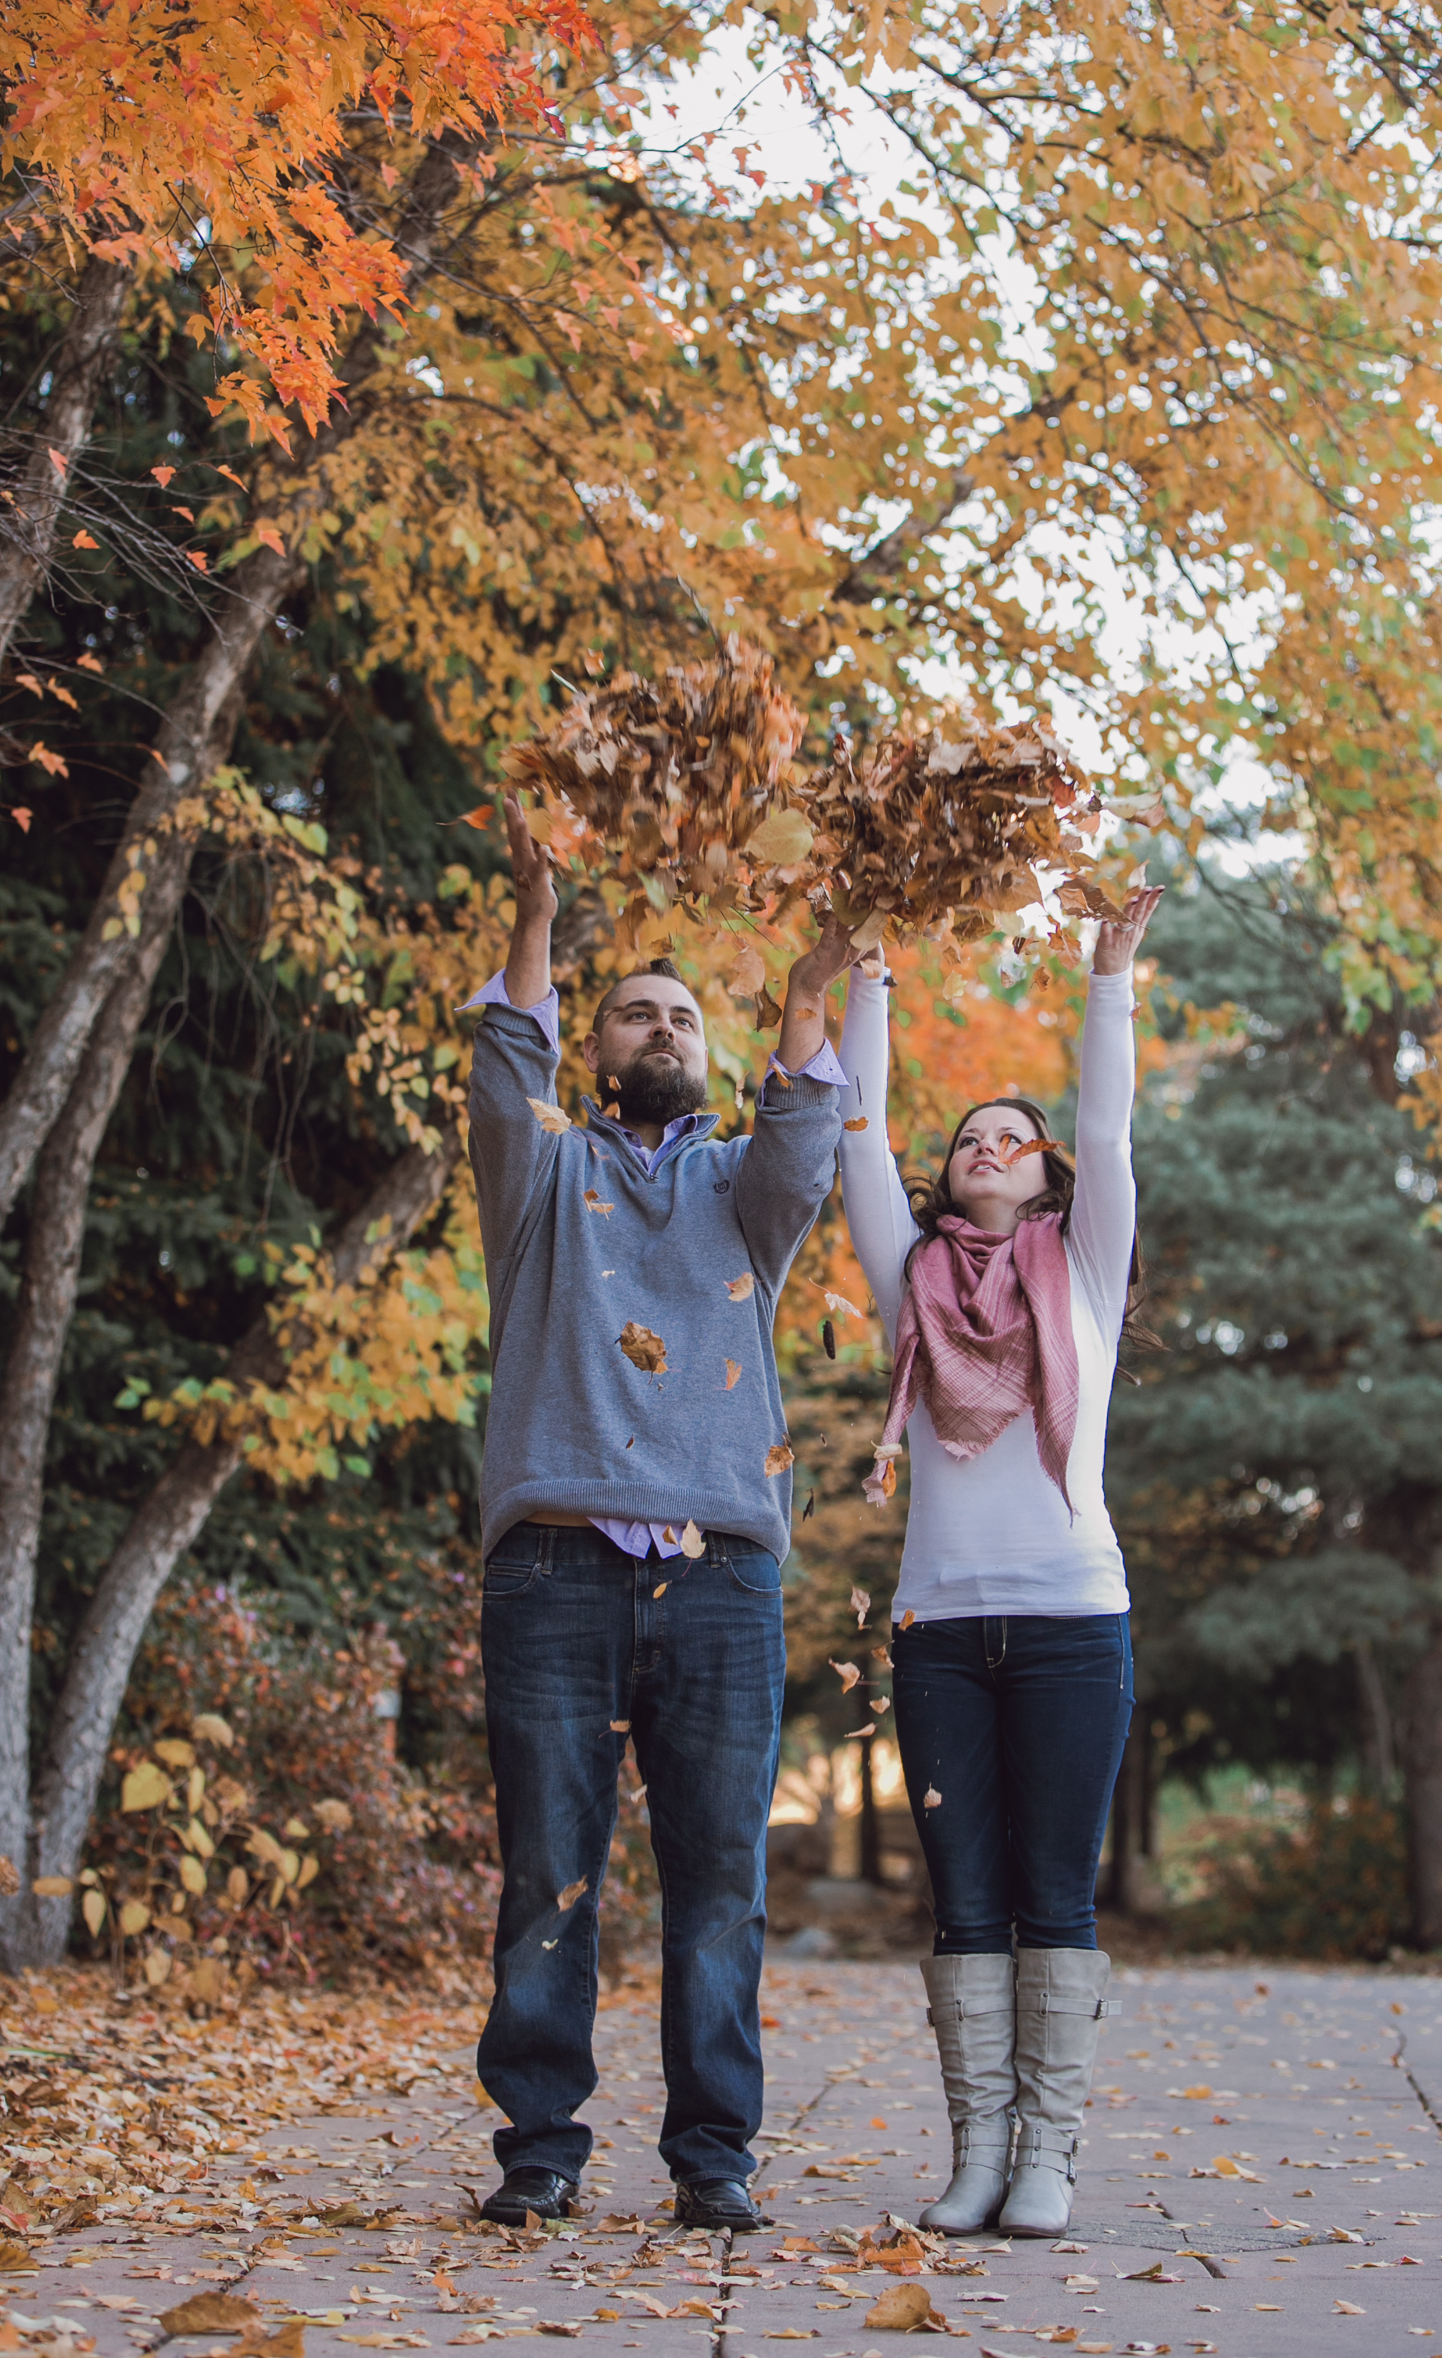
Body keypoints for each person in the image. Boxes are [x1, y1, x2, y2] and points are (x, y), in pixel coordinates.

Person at [463, 793, 854, 2234]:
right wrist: (539, 915)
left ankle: (714, 2159)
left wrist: (809, 991)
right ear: (597, 1041)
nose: (664, 1033)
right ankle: (541, 2151)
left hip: (723, 1575)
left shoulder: (742, 1200)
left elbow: (806, 1133)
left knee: (720, 1883)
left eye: (685, 1018)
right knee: (550, 1871)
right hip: (554, 1567)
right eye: (636, 1014)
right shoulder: (541, 1178)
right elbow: (505, 1070)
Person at [835, 887, 1162, 2239]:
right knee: (963, 1898)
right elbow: (856, 1139)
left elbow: (1107, 1123)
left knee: (1051, 1889)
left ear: (1046, 1177)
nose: (989, 1146)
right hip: (940, 1635)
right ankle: (978, 2151)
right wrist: (869, 984)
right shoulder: (907, 1273)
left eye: (1011, 1138)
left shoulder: (1083, 1269)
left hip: (1076, 1624)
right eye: (968, 1136)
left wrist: (1106, 978)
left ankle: (1051, 2156)